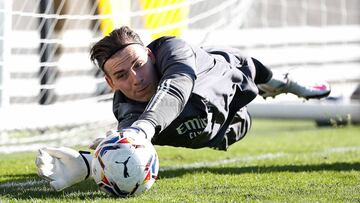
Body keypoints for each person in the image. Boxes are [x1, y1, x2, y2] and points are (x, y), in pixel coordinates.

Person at [35, 26, 331, 191]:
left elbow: (176, 85)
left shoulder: (172, 50)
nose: (136, 79)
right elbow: (124, 150)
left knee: (243, 65)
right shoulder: (126, 110)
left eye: (139, 65)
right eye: (122, 76)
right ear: (109, 82)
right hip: (225, 129)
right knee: (236, 125)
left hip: (228, 82)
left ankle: (281, 83)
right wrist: (89, 165)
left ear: (150, 55)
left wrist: (142, 129)